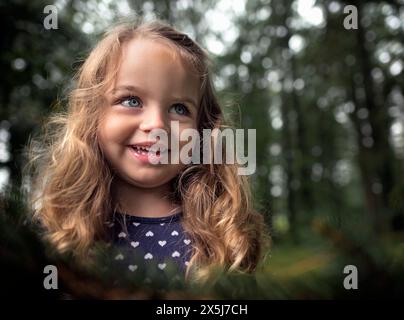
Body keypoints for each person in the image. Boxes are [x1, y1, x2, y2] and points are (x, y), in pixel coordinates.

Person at [26, 18, 270, 285]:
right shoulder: (55, 230)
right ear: (92, 115)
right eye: (131, 101)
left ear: (202, 130)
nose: (156, 125)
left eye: (179, 109)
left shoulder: (222, 235)